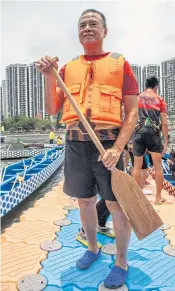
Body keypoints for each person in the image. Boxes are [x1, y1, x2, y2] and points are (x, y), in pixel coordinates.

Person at [36, 9, 139, 288]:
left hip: (108, 145)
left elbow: (132, 113)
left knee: (116, 205)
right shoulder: (67, 68)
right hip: (74, 143)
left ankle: (121, 261)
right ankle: (92, 249)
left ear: (105, 31)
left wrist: (118, 149)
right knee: (84, 201)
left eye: (94, 23)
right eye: (82, 25)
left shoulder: (121, 64)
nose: (87, 28)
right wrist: (49, 75)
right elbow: (52, 109)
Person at [133, 76, 168, 205]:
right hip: (153, 134)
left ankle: (136, 198)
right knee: (158, 166)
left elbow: (131, 116)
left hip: (139, 132)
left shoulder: (137, 98)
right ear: (156, 87)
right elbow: (164, 123)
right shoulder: (160, 100)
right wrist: (165, 142)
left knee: (136, 166)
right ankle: (158, 198)